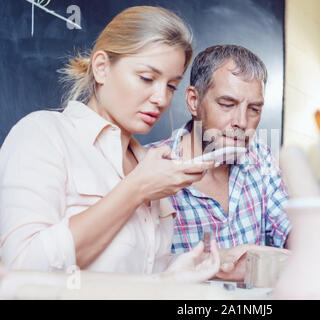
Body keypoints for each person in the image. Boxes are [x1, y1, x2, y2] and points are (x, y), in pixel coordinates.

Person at [0, 6, 220, 282]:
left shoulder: (148, 164)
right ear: (102, 68)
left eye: (171, 86)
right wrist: (135, 189)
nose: (161, 98)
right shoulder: (42, 134)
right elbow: (21, 267)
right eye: (147, 78)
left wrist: (176, 273)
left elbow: (132, 274)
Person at [149, 45, 291, 280]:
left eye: (254, 109)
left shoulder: (261, 157)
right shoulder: (148, 166)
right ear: (194, 101)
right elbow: (137, 270)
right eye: (227, 104)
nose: (242, 122)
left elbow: (287, 228)